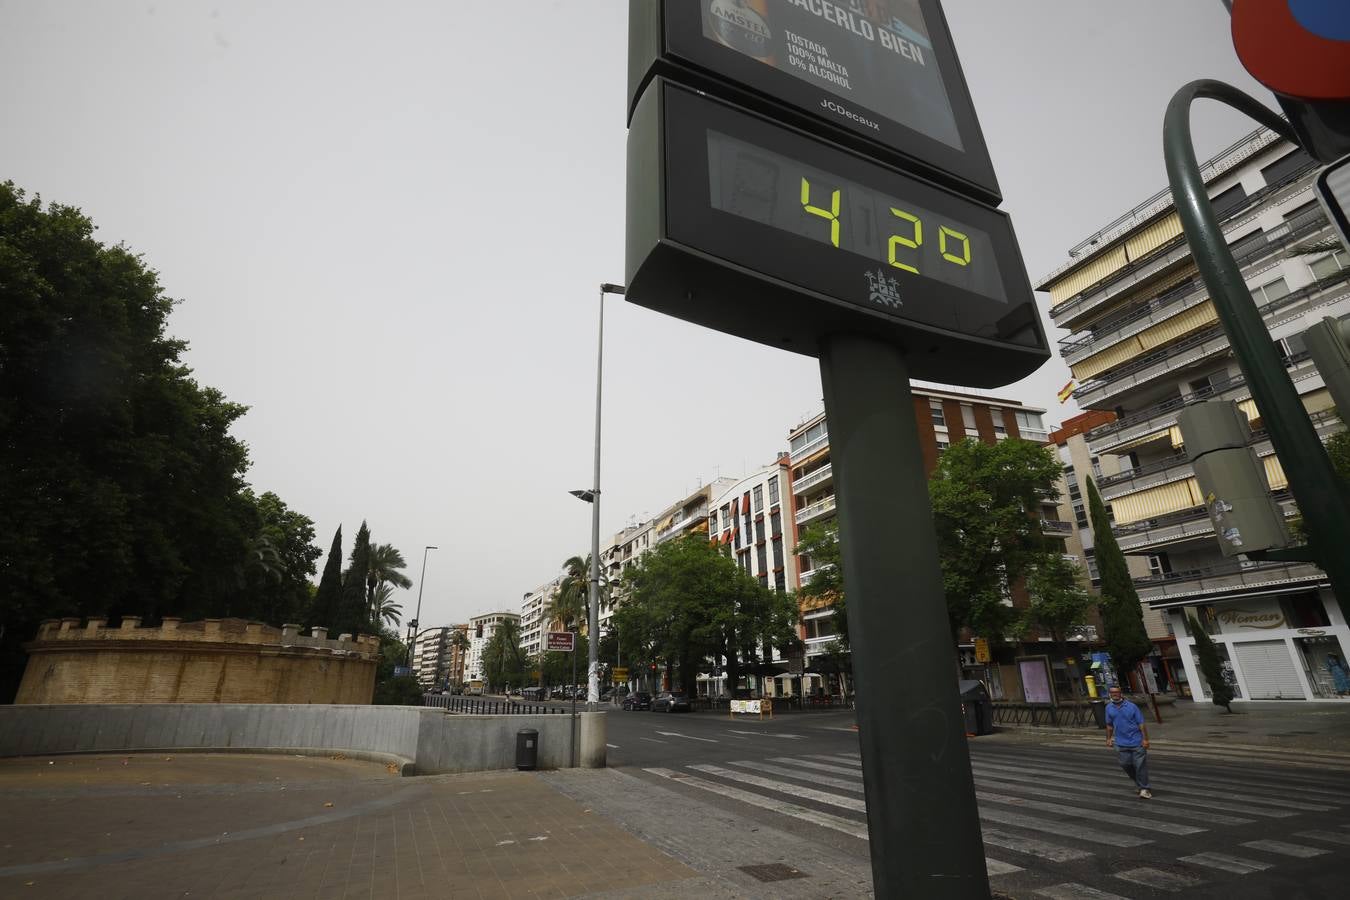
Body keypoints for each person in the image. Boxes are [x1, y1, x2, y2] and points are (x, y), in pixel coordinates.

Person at [1104, 684, 1153, 799]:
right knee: (1125, 764)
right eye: (1112, 692)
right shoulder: (1108, 708)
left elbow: (1141, 724)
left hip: (1137, 742)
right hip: (1121, 743)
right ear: (1110, 694)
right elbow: (1109, 725)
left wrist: (1145, 739)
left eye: (1116, 692)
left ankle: (1145, 788)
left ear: (1121, 693)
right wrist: (1108, 738)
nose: (1114, 694)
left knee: (1140, 766)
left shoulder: (1132, 706)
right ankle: (1139, 783)